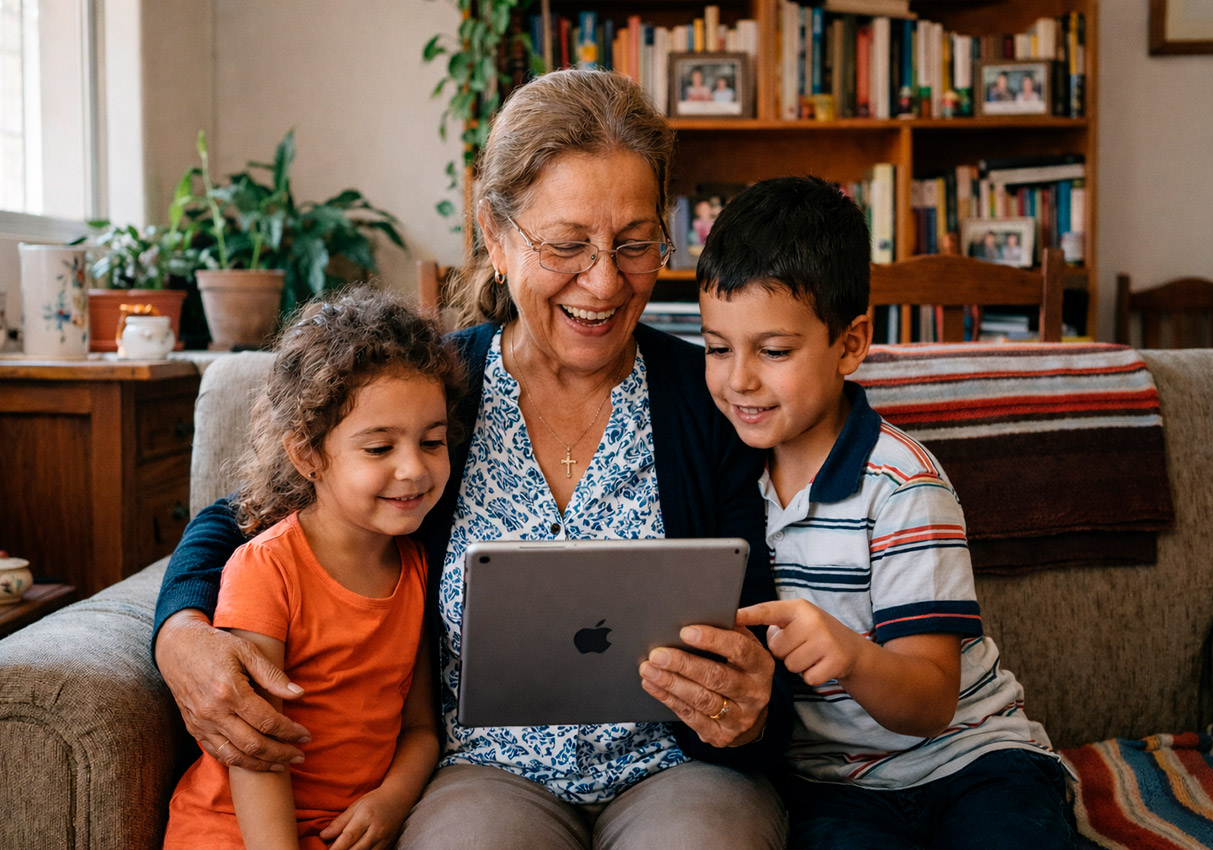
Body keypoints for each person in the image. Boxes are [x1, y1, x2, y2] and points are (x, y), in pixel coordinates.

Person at [152, 69, 788, 850]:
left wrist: (755, 695)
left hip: (677, 773)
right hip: (486, 774)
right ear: (495, 233)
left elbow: (766, 618)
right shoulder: (431, 391)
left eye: (634, 244)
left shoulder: (710, 397)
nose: (604, 281)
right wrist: (181, 633)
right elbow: (245, 518)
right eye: (567, 245)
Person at [696, 176, 1075, 850]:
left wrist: (848, 654)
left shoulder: (902, 484)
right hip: (831, 789)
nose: (739, 380)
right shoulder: (723, 481)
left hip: (973, 761)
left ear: (850, 343)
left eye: (774, 351)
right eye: (717, 348)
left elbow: (930, 703)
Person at [164, 285, 461, 849]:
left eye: (432, 441)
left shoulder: (420, 567)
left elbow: (422, 728)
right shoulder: (267, 570)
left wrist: (393, 800)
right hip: (238, 832)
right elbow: (255, 751)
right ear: (307, 456)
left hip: (345, 832)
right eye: (379, 449)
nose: (413, 470)